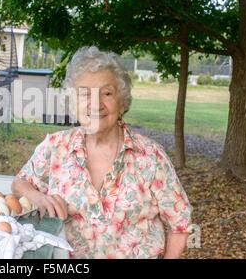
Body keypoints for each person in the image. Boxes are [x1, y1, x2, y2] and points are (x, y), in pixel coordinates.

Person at [11, 46, 193, 259]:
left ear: (122, 102)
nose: (96, 104)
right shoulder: (55, 146)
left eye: (107, 93)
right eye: (84, 94)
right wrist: (37, 197)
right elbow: (19, 183)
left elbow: (180, 225)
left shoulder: (150, 156)